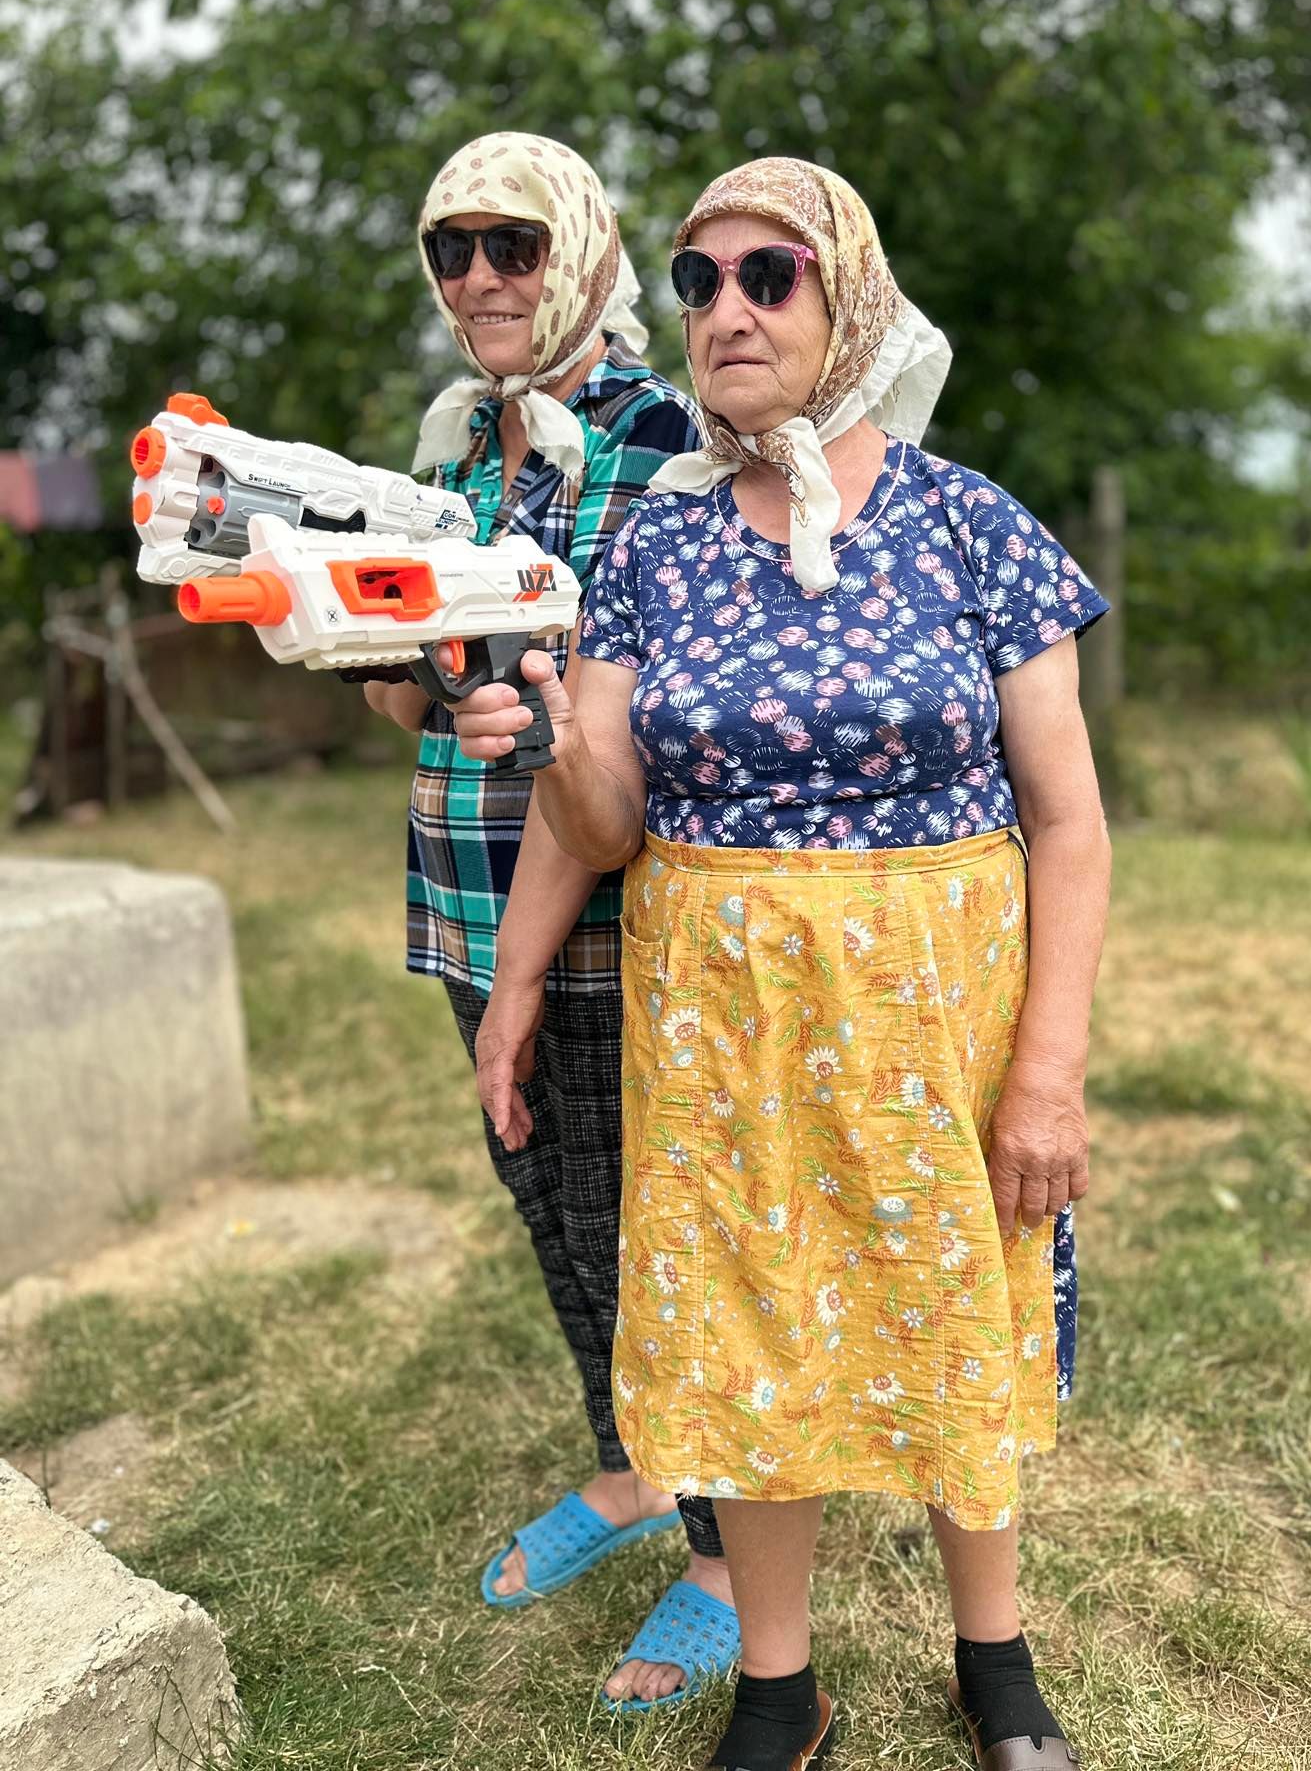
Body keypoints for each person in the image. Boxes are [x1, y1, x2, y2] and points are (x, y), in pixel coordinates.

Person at [452, 155, 1111, 1770]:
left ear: (852, 304)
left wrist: (1047, 1071)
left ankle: (995, 1654)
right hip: (721, 1020)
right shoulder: (654, 551)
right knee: (746, 1325)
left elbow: (1070, 822)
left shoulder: (970, 524)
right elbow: (605, 821)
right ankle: (777, 1680)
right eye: (699, 281)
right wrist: (547, 761)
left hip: (934, 1017)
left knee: (951, 1307)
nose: (729, 310)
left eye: (772, 276)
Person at [365, 131, 738, 1712]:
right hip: (468, 887)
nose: (478, 279)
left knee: (651, 1228)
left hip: (618, 906)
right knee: (547, 1205)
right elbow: (406, 695)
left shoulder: (669, 435)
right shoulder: (457, 446)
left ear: (580, 250)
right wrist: (390, 652)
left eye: (510, 244)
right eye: (449, 249)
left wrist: (546, 700)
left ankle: (727, 1554)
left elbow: (683, 687)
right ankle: (630, 1465)